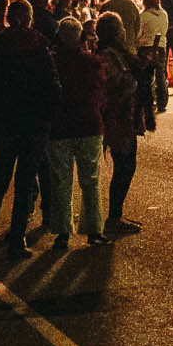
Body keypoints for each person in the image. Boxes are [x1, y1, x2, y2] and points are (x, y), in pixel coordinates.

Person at [0, 0, 59, 260]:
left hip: (4, 122)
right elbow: (53, 86)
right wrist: (48, 116)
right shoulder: (39, 46)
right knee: (24, 184)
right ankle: (17, 239)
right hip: (32, 124)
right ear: (30, 18)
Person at [43, 15, 107, 248]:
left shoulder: (51, 62)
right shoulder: (91, 62)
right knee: (90, 180)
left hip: (60, 127)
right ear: (80, 37)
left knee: (61, 180)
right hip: (88, 125)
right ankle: (94, 230)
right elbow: (100, 92)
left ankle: (62, 232)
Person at [92, 13, 145, 236]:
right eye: (120, 28)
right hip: (117, 116)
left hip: (125, 115)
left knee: (126, 165)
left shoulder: (117, 54)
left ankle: (116, 214)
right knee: (124, 165)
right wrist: (134, 82)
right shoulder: (106, 56)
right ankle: (113, 217)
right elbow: (112, 85)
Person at [134, 0, 170, 122]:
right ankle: (163, 102)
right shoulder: (164, 14)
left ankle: (149, 102)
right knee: (161, 74)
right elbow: (165, 30)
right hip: (161, 46)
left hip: (146, 47)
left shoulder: (143, 16)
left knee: (147, 76)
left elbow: (138, 34)